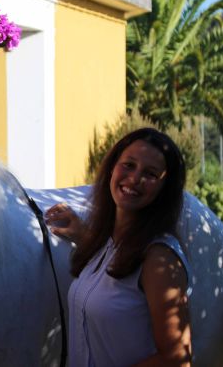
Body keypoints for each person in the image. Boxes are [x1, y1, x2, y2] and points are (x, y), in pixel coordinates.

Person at [46, 127, 192, 367]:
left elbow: (177, 359)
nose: (135, 178)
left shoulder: (160, 259)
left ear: (164, 190)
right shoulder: (109, 244)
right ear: (113, 167)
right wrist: (86, 236)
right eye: (129, 165)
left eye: (151, 174)